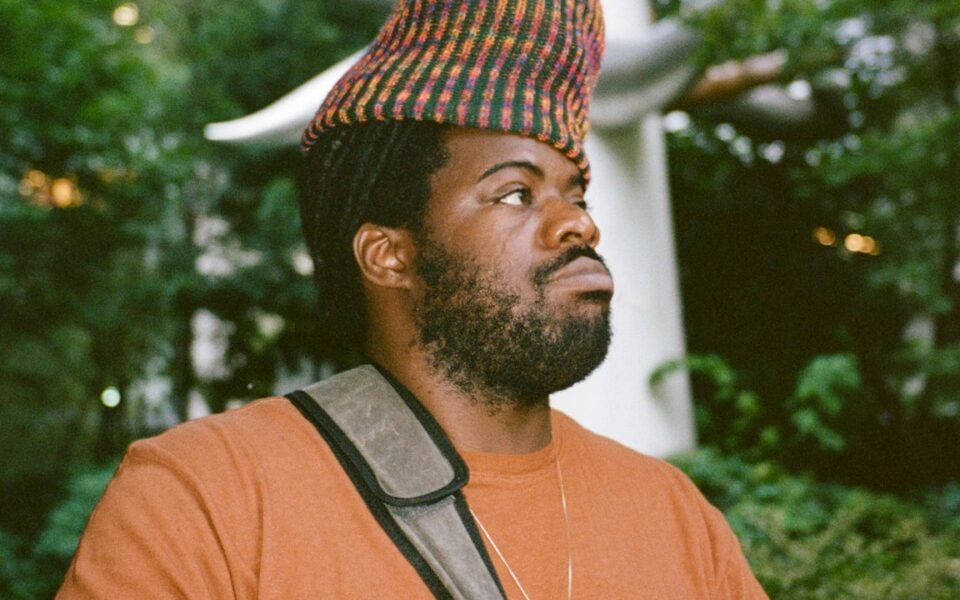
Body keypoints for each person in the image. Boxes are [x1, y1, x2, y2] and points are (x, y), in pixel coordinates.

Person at [59, 0, 767, 597]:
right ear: (389, 255)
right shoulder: (205, 499)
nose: (580, 224)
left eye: (575, 195)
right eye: (515, 194)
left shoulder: (678, 517)